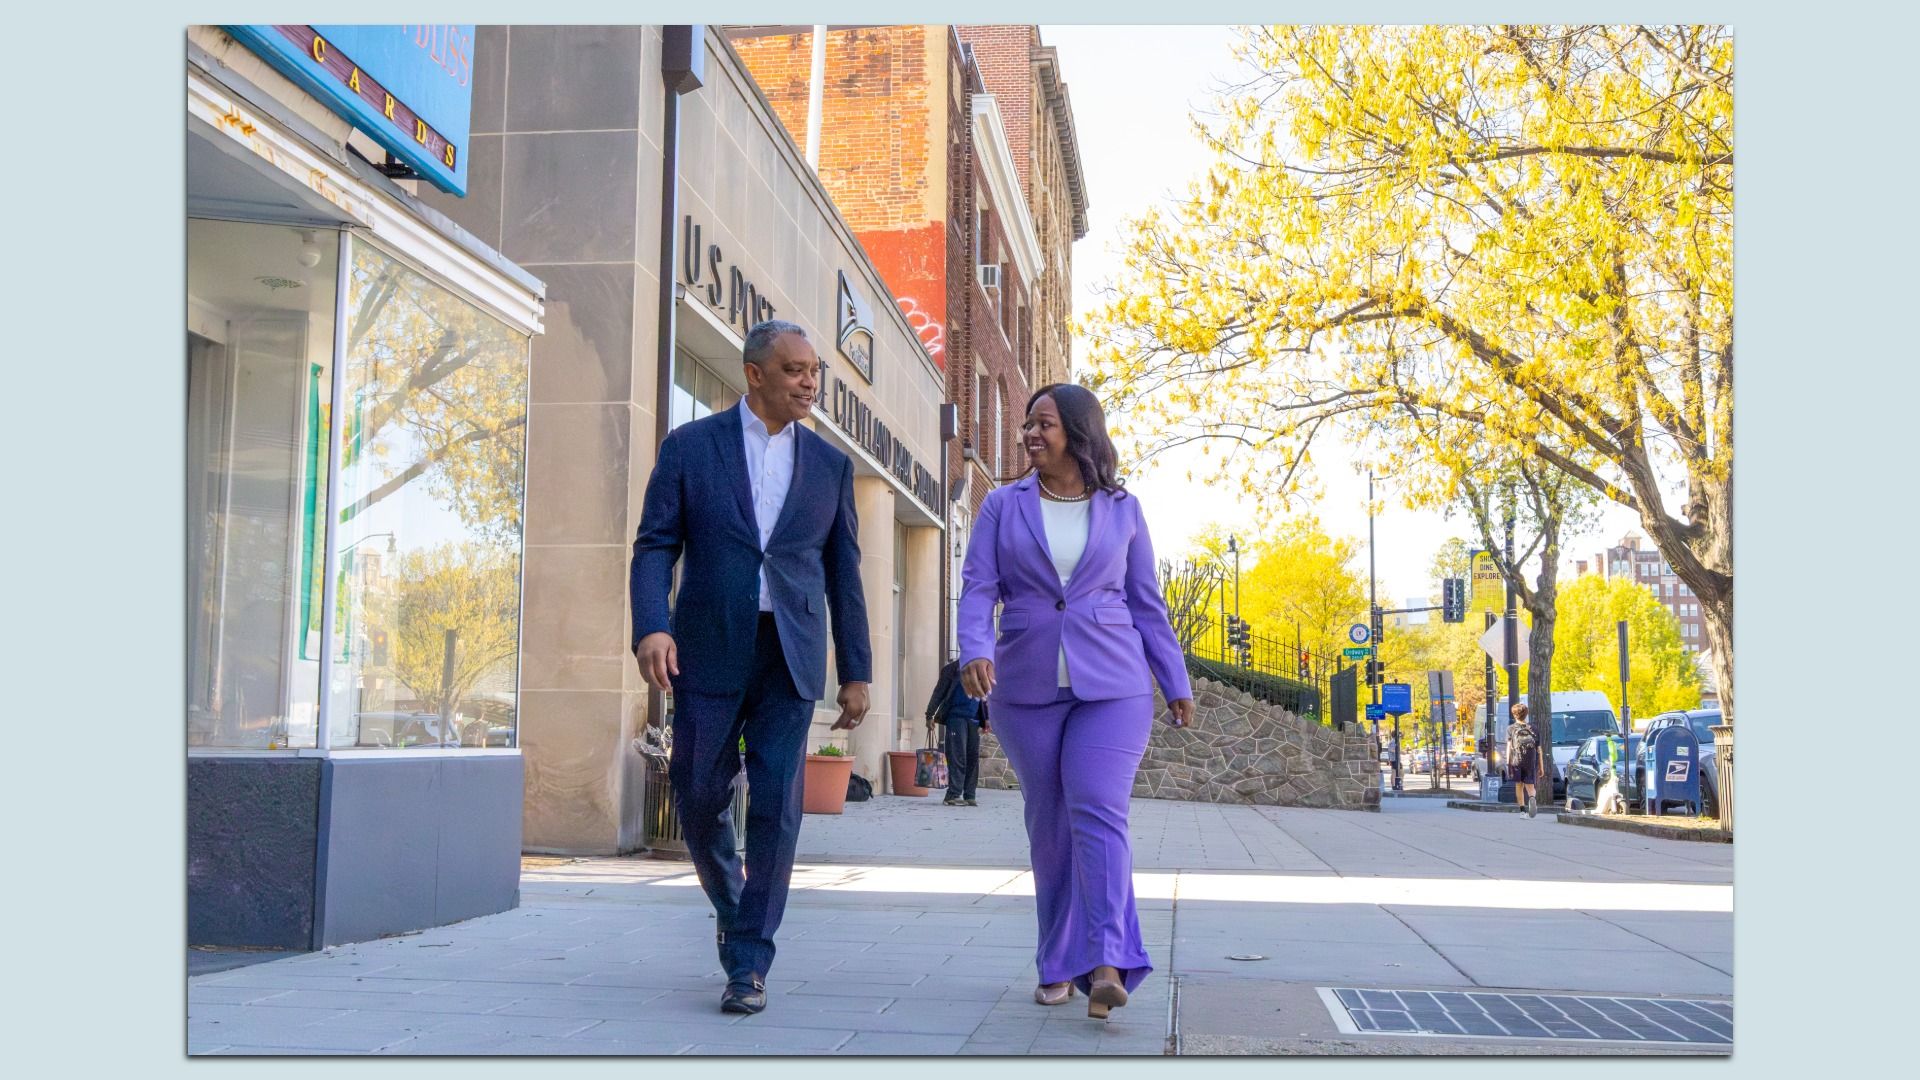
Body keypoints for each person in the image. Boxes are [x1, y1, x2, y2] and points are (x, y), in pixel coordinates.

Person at [630, 319, 872, 1016]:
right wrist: (651, 626)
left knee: (776, 807)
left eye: (815, 371)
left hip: (789, 654)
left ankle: (749, 961)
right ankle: (737, 908)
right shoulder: (690, 447)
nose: (809, 382)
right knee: (696, 792)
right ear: (755, 374)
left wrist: (856, 670)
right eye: (795, 370)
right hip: (707, 646)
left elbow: (844, 575)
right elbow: (655, 546)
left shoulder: (829, 466)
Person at [956, 383, 1196, 1021]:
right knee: (1050, 823)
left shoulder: (1123, 508)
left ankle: (1110, 961)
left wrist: (1174, 679)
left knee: (1098, 809)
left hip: (1114, 685)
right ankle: (1059, 961)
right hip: (1025, 685)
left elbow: (1146, 600)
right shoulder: (1002, 506)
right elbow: (978, 586)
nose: (1031, 434)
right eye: (1028, 424)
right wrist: (975, 648)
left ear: (1078, 433)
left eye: (1045, 424)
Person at [925, 657, 990, 806]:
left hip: (974, 719)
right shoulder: (951, 670)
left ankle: (970, 795)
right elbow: (939, 692)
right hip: (956, 718)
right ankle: (953, 795)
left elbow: (986, 696)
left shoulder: (980, 668)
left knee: (972, 758)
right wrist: (929, 715)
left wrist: (987, 718)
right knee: (957, 756)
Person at [1507, 702, 1541, 817]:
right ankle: (1532, 798)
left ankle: (1522, 811)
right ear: (1526, 714)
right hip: (1530, 760)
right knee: (1530, 785)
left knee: (1519, 785)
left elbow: (1509, 748)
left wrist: (1508, 764)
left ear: (1514, 714)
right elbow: (1539, 749)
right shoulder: (1533, 728)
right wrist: (1541, 766)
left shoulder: (1511, 729)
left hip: (1517, 760)